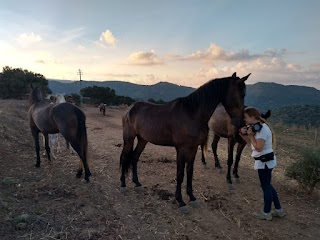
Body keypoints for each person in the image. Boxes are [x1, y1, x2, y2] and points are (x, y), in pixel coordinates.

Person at [239, 107, 285, 221]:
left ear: (252, 117)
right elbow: (251, 143)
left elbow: (258, 148)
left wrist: (250, 135)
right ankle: (279, 210)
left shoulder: (263, 129)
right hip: (264, 161)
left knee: (266, 187)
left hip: (265, 162)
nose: (244, 120)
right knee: (268, 185)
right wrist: (242, 133)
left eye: (245, 118)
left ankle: (266, 213)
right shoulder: (256, 128)